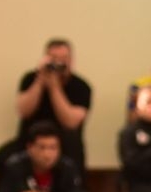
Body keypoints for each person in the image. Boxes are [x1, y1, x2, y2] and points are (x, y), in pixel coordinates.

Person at [14, 39, 93, 173]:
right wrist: (40, 80)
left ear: (71, 60)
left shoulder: (81, 86)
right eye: (54, 58)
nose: (59, 63)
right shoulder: (30, 79)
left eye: (64, 58)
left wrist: (54, 87)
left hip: (65, 145)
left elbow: (71, 121)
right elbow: (23, 111)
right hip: (31, 141)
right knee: (4, 155)